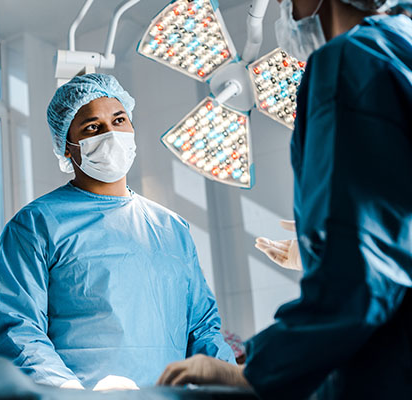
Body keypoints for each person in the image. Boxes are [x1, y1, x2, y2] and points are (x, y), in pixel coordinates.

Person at [157, 0, 412, 398]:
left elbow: (361, 278)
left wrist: (253, 370)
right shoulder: (402, 48)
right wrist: (324, 245)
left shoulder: (350, 59)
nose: (285, 7)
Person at [0, 73, 235, 390]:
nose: (111, 133)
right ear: (67, 146)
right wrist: (73, 396)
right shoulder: (36, 224)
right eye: (93, 127)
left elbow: (203, 328)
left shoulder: (171, 227)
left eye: (119, 120)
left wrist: (232, 385)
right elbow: (18, 331)